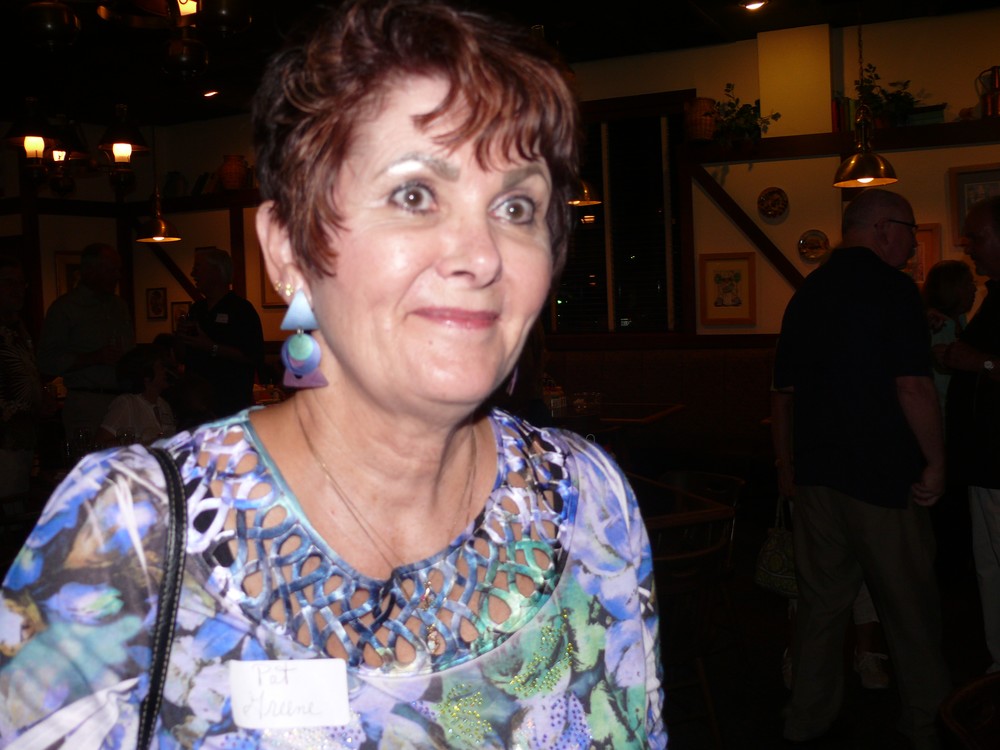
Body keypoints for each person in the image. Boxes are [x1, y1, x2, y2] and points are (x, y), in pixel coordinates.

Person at [0, 1, 666, 747]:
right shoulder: (129, 534)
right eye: (414, 195)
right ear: (288, 249)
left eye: (516, 206)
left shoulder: (591, 504)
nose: (481, 256)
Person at [772, 188, 951, 749]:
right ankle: (927, 722)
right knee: (909, 608)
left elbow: (784, 393)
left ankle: (806, 719)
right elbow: (913, 386)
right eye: (909, 231)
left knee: (821, 609)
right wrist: (936, 461)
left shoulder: (806, 295)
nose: (912, 246)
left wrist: (786, 466)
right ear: (882, 228)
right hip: (881, 478)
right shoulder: (893, 291)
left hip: (818, 479)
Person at [940, 195, 1000, 673]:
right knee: (988, 569)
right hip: (983, 463)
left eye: (976, 237)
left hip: (997, 463)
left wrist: (979, 362)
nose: (967, 247)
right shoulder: (994, 295)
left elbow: (986, 364)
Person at [36, 242, 134, 443]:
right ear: (90, 271)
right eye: (111, 270)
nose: (118, 276)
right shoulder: (65, 308)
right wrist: (93, 357)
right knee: (89, 460)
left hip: (123, 400)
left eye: (118, 270)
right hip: (87, 403)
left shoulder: (119, 306)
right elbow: (46, 361)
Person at [177, 246, 264, 419]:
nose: (192, 273)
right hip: (195, 410)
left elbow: (253, 356)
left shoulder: (241, 310)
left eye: (198, 267)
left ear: (217, 271)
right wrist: (179, 337)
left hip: (229, 407)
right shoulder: (196, 309)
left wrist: (212, 347)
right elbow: (181, 356)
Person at [0, 255, 44, 501]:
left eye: (21, 283)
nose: (17, 289)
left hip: (24, 437)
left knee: (17, 503)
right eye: (9, 282)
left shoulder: (19, 327)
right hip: (4, 440)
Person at [97, 344, 177, 447]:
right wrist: (139, 444)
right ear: (146, 375)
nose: (167, 372)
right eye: (162, 367)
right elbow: (100, 443)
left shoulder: (164, 405)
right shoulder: (127, 403)